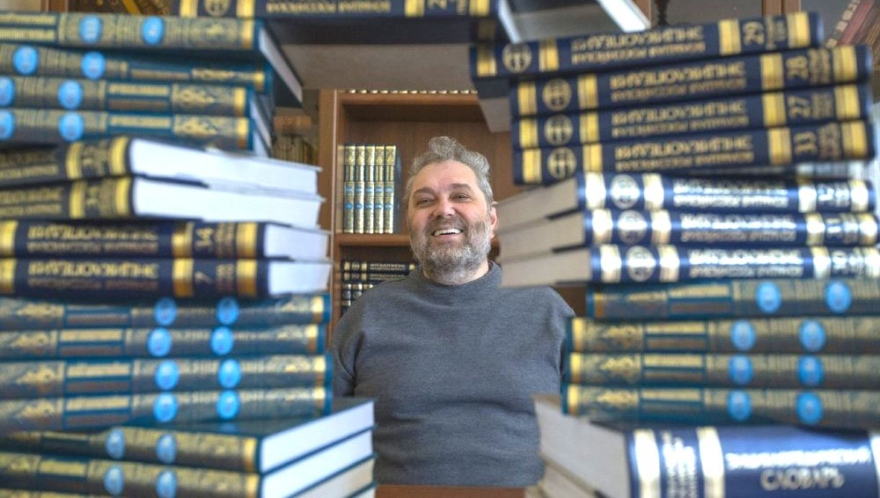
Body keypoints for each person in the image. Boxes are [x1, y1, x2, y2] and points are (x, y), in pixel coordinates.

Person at [330, 136, 574, 486]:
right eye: (425, 200)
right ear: (409, 224)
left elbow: (598, 439)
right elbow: (319, 437)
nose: (443, 210)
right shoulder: (367, 314)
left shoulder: (549, 311)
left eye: (460, 196)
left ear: (492, 218)